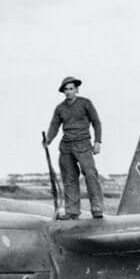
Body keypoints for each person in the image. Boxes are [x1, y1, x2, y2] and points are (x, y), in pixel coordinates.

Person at [44, 76, 104, 219]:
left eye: (71, 89)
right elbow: (54, 125)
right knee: (69, 178)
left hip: (83, 144)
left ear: (76, 89)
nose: (68, 92)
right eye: (66, 89)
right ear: (63, 91)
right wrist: (48, 140)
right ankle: (72, 211)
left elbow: (96, 122)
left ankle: (97, 209)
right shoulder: (60, 108)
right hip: (66, 147)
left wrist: (97, 142)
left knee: (90, 174)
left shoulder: (85, 103)